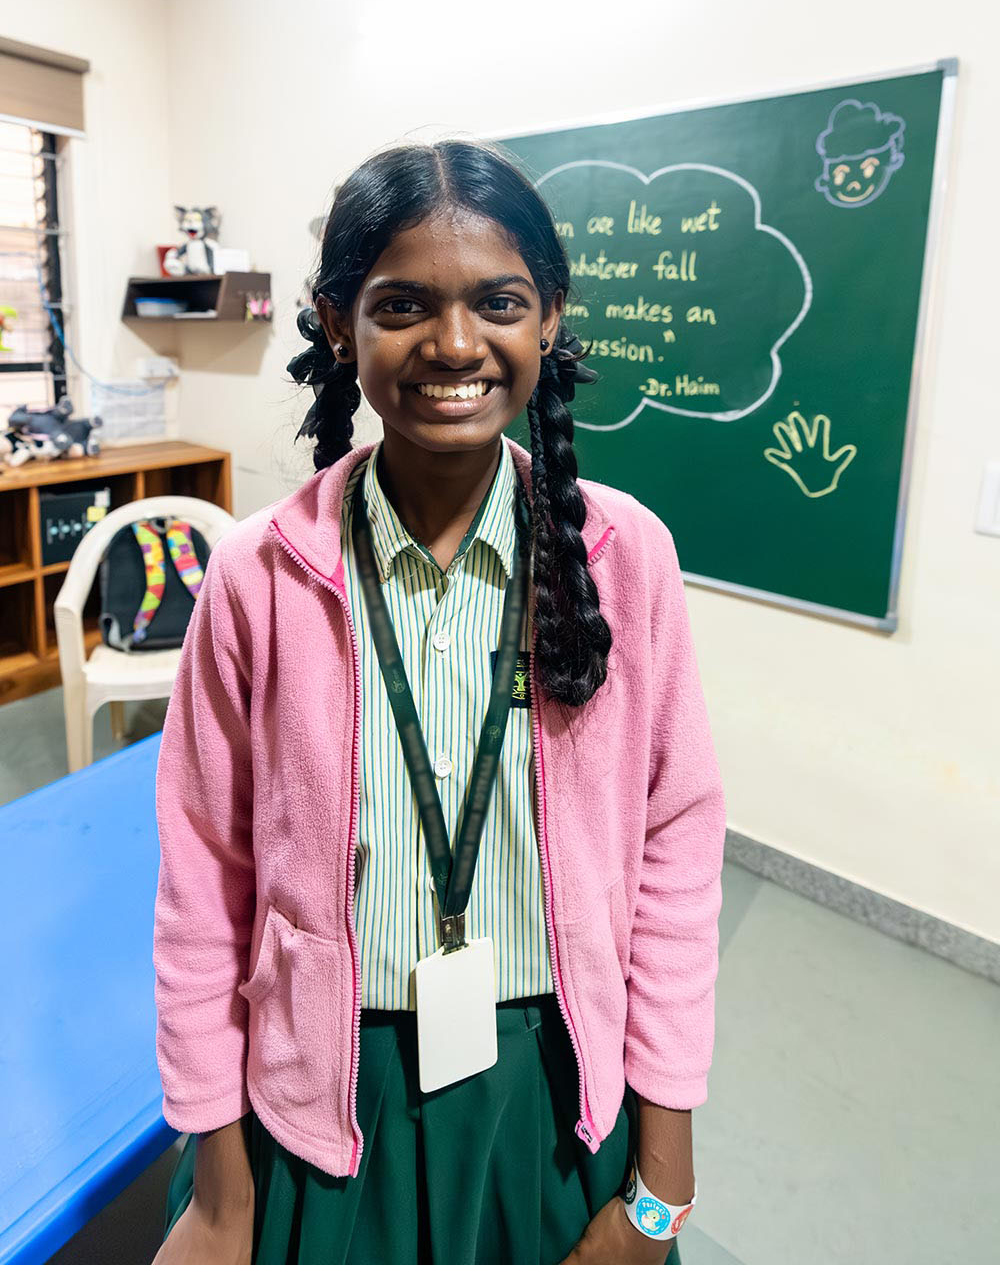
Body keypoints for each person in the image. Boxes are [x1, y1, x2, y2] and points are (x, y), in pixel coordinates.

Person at [151, 139, 726, 1265]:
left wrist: (662, 1180)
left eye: (498, 301)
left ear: (549, 317)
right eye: (403, 303)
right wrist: (221, 1190)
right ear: (335, 322)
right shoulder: (260, 576)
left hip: (553, 1087)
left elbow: (675, 856)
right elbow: (201, 887)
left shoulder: (625, 558)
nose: (454, 344)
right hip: (321, 1098)